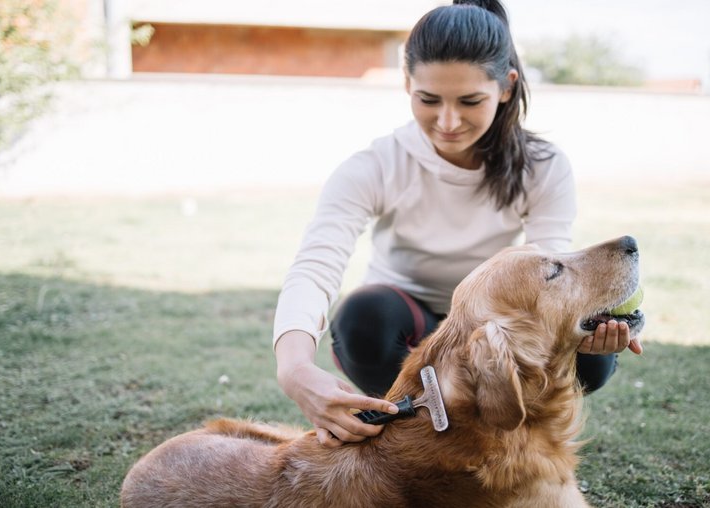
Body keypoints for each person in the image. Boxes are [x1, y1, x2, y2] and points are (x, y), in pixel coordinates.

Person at [273, 0, 642, 448]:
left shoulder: (543, 166)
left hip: (499, 324)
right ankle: (413, 427)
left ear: (506, 88)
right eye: (428, 100)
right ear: (407, 82)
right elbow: (316, 266)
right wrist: (294, 368)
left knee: (592, 361)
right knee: (361, 318)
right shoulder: (374, 165)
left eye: (470, 101)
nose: (447, 122)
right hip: (406, 328)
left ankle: (516, 442)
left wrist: (592, 327)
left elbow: (551, 272)